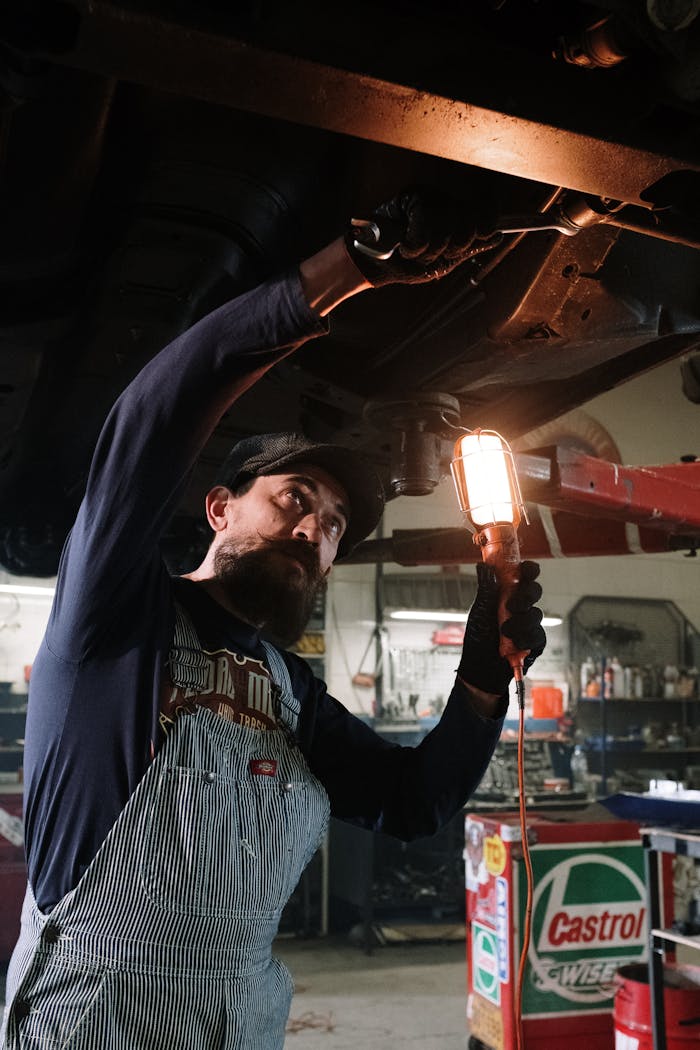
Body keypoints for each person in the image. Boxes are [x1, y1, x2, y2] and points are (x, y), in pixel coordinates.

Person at [1, 187, 545, 1049]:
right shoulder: (115, 619)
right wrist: (345, 270)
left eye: (332, 527)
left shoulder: (291, 693)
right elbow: (158, 413)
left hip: (241, 1023)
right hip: (92, 1021)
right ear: (218, 509)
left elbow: (413, 802)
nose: (312, 530)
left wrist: (482, 678)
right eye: (295, 499)